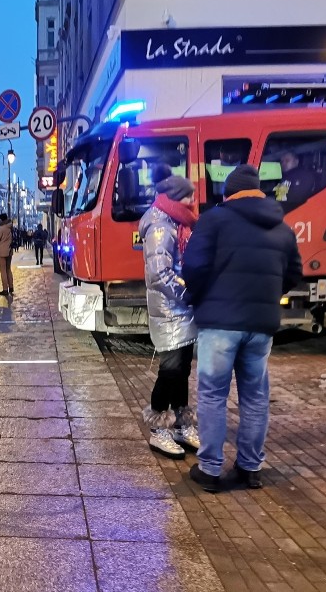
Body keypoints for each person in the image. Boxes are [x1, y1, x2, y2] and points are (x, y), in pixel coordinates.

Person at [183, 164, 302, 493]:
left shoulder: (215, 220)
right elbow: (293, 273)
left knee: (212, 395)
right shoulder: (282, 227)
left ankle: (209, 470)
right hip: (260, 326)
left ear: (229, 192)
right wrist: (266, 297)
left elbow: (194, 266)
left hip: (219, 323)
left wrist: (197, 298)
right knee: (255, 398)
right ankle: (250, 468)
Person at [139, 165, 200, 459]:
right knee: (171, 370)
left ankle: (180, 423)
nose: (193, 202)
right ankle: (158, 428)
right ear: (177, 198)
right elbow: (160, 273)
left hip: (181, 309)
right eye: (189, 197)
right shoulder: (161, 225)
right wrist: (189, 295)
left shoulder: (176, 221)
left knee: (182, 369)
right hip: (171, 309)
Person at [0, 213, 14, 296]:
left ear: (1, 220)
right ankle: (11, 287)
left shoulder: (1, 229)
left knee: (3, 270)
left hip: (1, 252)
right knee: (8, 269)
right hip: (9, 251)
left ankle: (5, 289)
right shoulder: (10, 227)